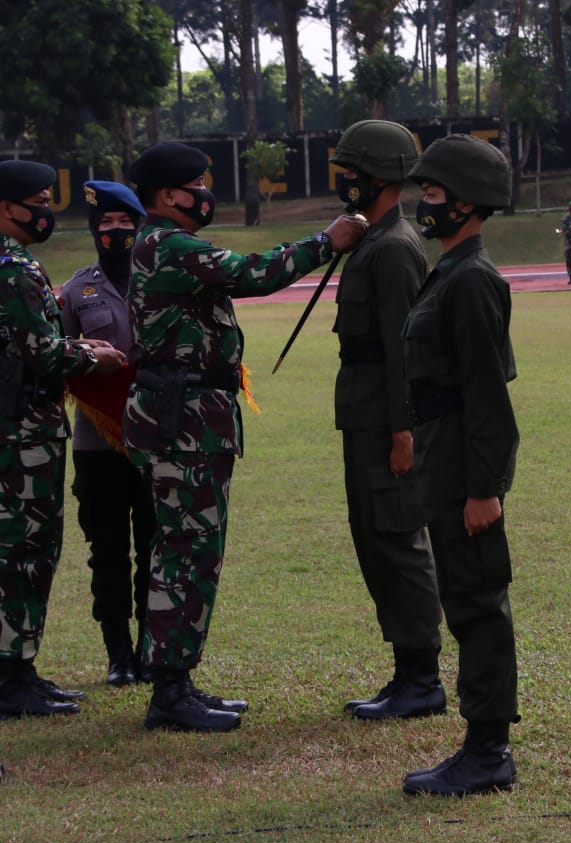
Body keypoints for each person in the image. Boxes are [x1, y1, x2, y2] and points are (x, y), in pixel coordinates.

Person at [124, 142, 368, 733]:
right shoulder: (169, 245)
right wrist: (325, 241)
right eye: (196, 185)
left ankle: (177, 681)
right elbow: (252, 275)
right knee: (185, 554)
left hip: (188, 414)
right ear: (167, 196)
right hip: (182, 421)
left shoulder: (162, 244)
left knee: (186, 552)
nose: (205, 194)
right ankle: (169, 692)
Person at [0, 160, 127, 721]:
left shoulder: (1, 260)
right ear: (8, 208)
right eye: (37, 201)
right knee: (25, 551)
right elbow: (43, 350)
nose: (46, 211)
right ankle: (12, 680)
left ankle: (20, 668)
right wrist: (95, 354)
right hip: (20, 423)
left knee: (28, 548)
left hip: (16, 419)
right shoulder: (13, 269)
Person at [400, 133, 520, 796]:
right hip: (443, 464)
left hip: (464, 473)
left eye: (436, 193)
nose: (425, 202)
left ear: (469, 203)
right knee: (463, 598)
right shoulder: (446, 271)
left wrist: (485, 489)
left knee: (478, 602)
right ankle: (480, 744)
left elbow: (486, 396)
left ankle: (488, 750)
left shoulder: (472, 280)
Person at [327, 120, 445, 721]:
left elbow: (405, 348)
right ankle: (405, 672)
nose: (343, 181)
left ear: (375, 176)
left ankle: (422, 679)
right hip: (365, 415)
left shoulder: (394, 248)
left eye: (351, 171)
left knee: (399, 540)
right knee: (376, 538)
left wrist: (404, 432)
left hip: (386, 422)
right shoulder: (371, 240)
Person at [60, 181, 156, 687]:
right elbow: (57, 357)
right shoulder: (77, 291)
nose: (114, 232)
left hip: (157, 437)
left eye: (123, 224)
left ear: (139, 227)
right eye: (105, 225)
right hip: (98, 444)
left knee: (157, 544)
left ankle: (150, 647)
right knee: (109, 547)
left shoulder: (162, 281)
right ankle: (118, 653)